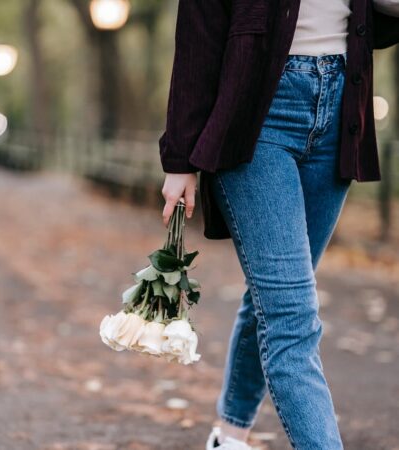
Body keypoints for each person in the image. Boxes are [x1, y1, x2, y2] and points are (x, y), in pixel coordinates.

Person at [159, 1, 399, 449]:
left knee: (274, 298)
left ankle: (228, 438)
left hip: (342, 105)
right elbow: (199, 29)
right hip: (257, 116)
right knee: (291, 318)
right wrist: (179, 158)